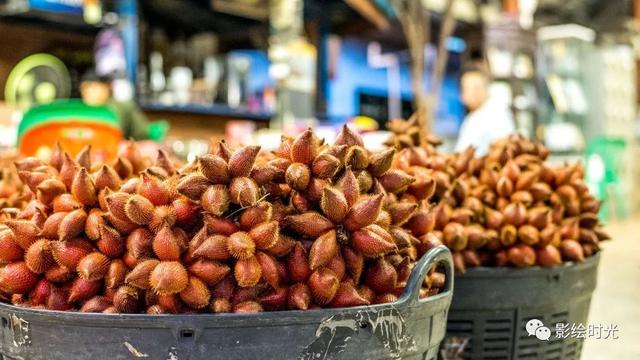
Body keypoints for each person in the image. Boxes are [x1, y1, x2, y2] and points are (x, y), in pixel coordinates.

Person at [80, 71, 168, 141]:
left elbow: (142, 133)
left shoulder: (121, 108)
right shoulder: (77, 110)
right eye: (84, 88)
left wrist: (154, 132)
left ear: (107, 87)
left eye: (92, 87)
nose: (87, 92)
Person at [454, 66, 515, 155]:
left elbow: (505, 149)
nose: (473, 93)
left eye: (477, 87)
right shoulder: (473, 116)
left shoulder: (497, 114)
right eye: (467, 88)